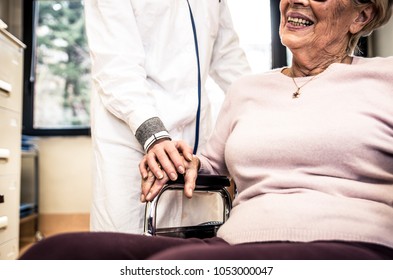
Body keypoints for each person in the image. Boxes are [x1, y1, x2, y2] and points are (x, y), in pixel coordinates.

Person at [20, 0, 393, 260]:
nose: (295, 1)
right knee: (56, 254)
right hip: (144, 141)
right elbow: (116, 67)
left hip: (346, 240)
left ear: (360, 17)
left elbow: (227, 54)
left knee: (172, 263)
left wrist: (274, 96)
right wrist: (163, 140)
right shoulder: (250, 92)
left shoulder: (383, 80)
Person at [84, 0, 251, 234]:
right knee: (127, 249)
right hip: (134, 139)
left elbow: (228, 57)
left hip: (193, 145)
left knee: (194, 248)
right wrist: (154, 135)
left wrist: (261, 109)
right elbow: (116, 66)